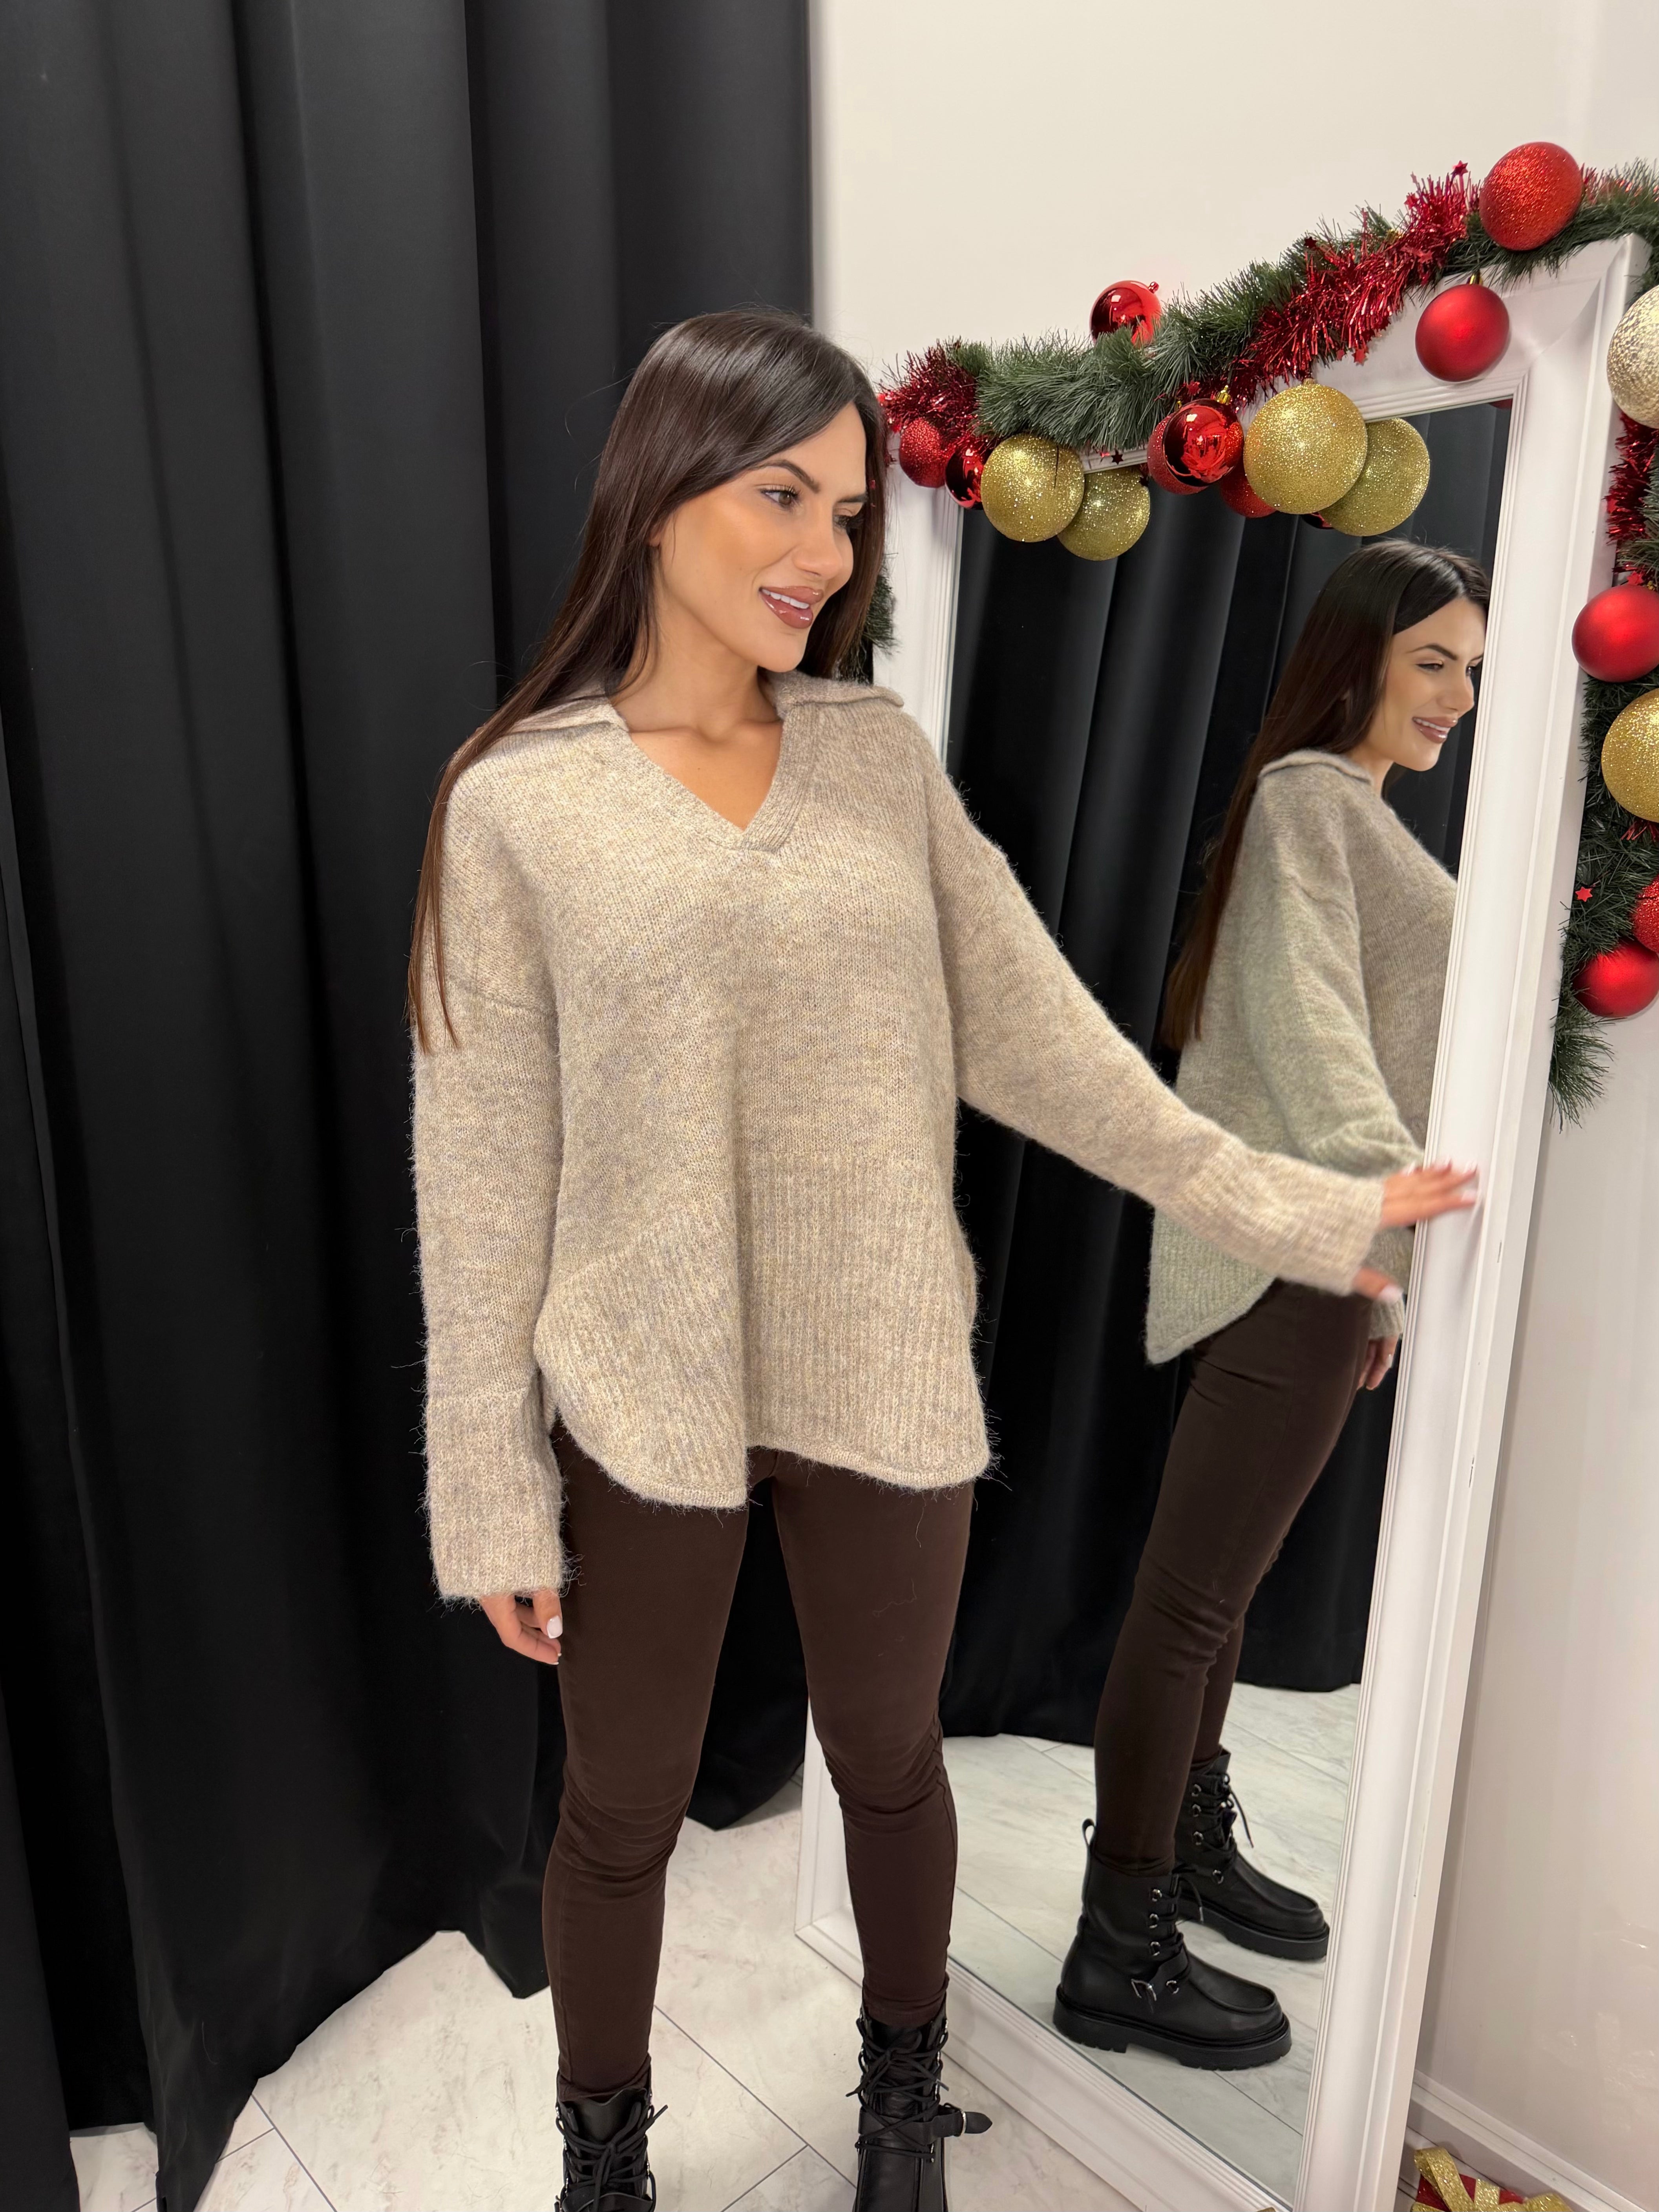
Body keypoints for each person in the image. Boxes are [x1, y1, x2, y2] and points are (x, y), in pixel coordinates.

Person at [409, 314, 1476, 2211]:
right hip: (641, 1377)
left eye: (845, 512)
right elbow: (481, 1179)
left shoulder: (872, 759)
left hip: (883, 1355)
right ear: (658, 488)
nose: (822, 551)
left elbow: (1052, 1047)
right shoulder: (516, 803)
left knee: (891, 1759)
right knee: (621, 1807)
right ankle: (605, 2160)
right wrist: (487, 1480)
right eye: (780, 496)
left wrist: (1310, 1210)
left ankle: (903, 2107)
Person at [1055, 541, 1489, 2074]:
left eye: (1470, 668)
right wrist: (1390, 1219)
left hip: (1309, 1257)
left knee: (1215, 1594)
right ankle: (1116, 1944)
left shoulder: (1341, 805)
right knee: (1189, 1599)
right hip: (1301, 1250)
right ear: (1357, 657)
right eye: (1431, 660)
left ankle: (1179, 1847)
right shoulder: (1314, 797)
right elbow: (1310, 1033)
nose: (1456, 694)